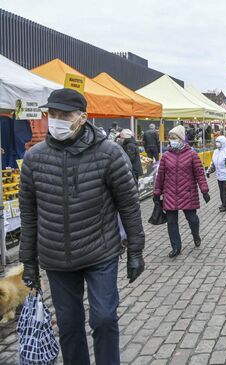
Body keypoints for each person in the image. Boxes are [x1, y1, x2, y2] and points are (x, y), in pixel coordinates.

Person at [19, 88, 145, 364]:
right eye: (52, 114)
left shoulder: (109, 154)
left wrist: (136, 250)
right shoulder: (34, 158)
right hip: (56, 256)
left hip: (100, 250)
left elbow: (129, 204)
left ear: (82, 117)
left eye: (64, 115)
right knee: (69, 325)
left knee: (103, 318)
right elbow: (28, 213)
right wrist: (28, 260)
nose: (56, 120)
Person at [154, 125, 210, 258]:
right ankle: (176, 247)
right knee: (172, 221)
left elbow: (199, 174)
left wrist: (204, 190)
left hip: (187, 192)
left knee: (192, 219)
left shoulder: (192, 155)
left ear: (181, 139)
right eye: (170, 138)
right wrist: (157, 193)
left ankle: (196, 235)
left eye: (174, 138)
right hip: (170, 193)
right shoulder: (166, 156)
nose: (171, 140)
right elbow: (160, 176)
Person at [210, 135, 226, 212]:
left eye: (218, 142)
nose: (217, 144)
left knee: (225, 191)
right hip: (219, 175)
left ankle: (225, 205)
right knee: (221, 190)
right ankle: (223, 203)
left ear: (223, 142)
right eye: (216, 142)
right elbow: (213, 163)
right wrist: (209, 171)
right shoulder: (216, 151)